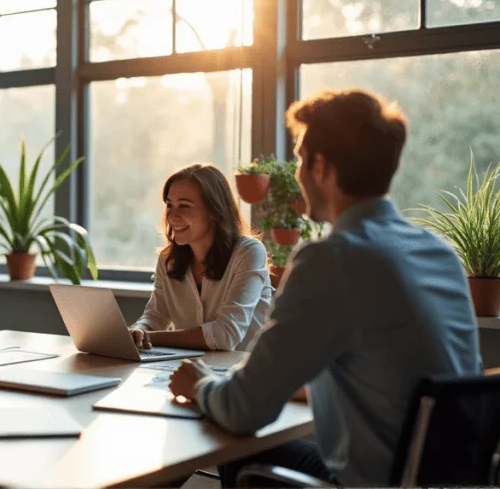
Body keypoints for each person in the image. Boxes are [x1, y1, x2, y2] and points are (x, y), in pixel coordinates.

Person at [169, 89, 482, 486]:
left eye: (300, 159)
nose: (297, 174)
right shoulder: (437, 252)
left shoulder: (332, 260)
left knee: (242, 447)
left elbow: (243, 410)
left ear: (321, 167)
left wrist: (200, 385)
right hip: (442, 478)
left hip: (376, 482)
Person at [129, 164, 273, 352]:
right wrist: (138, 331)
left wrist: (151, 338)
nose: (172, 217)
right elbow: (156, 315)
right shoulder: (168, 259)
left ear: (214, 210)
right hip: (189, 369)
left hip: (246, 373)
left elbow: (225, 335)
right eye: (170, 205)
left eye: (185, 206)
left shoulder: (249, 253)